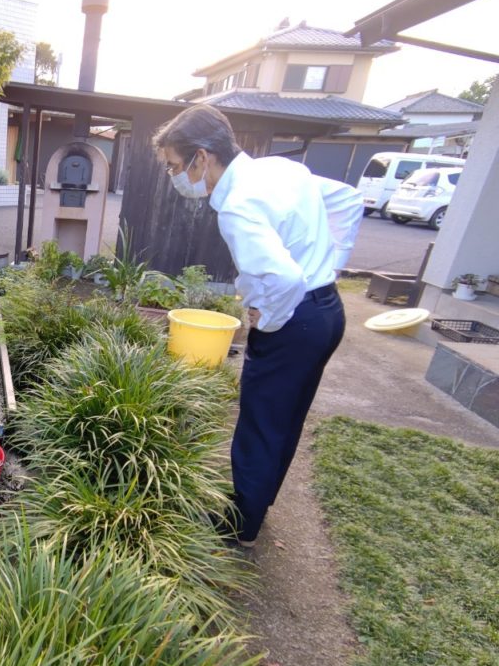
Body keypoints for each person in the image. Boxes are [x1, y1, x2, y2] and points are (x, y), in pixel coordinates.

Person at [153, 104, 363, 547]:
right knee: (285, 419)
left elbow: (284, 278)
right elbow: (349, 199)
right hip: (326, 313)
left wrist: (269, 317)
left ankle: (241, 526)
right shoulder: (278, 169)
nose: (176, 177)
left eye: (175, 165)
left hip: (297, 322)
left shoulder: (238, 206)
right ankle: (257, 505)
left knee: (259, 422)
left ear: (202, 157)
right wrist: (329, 267)